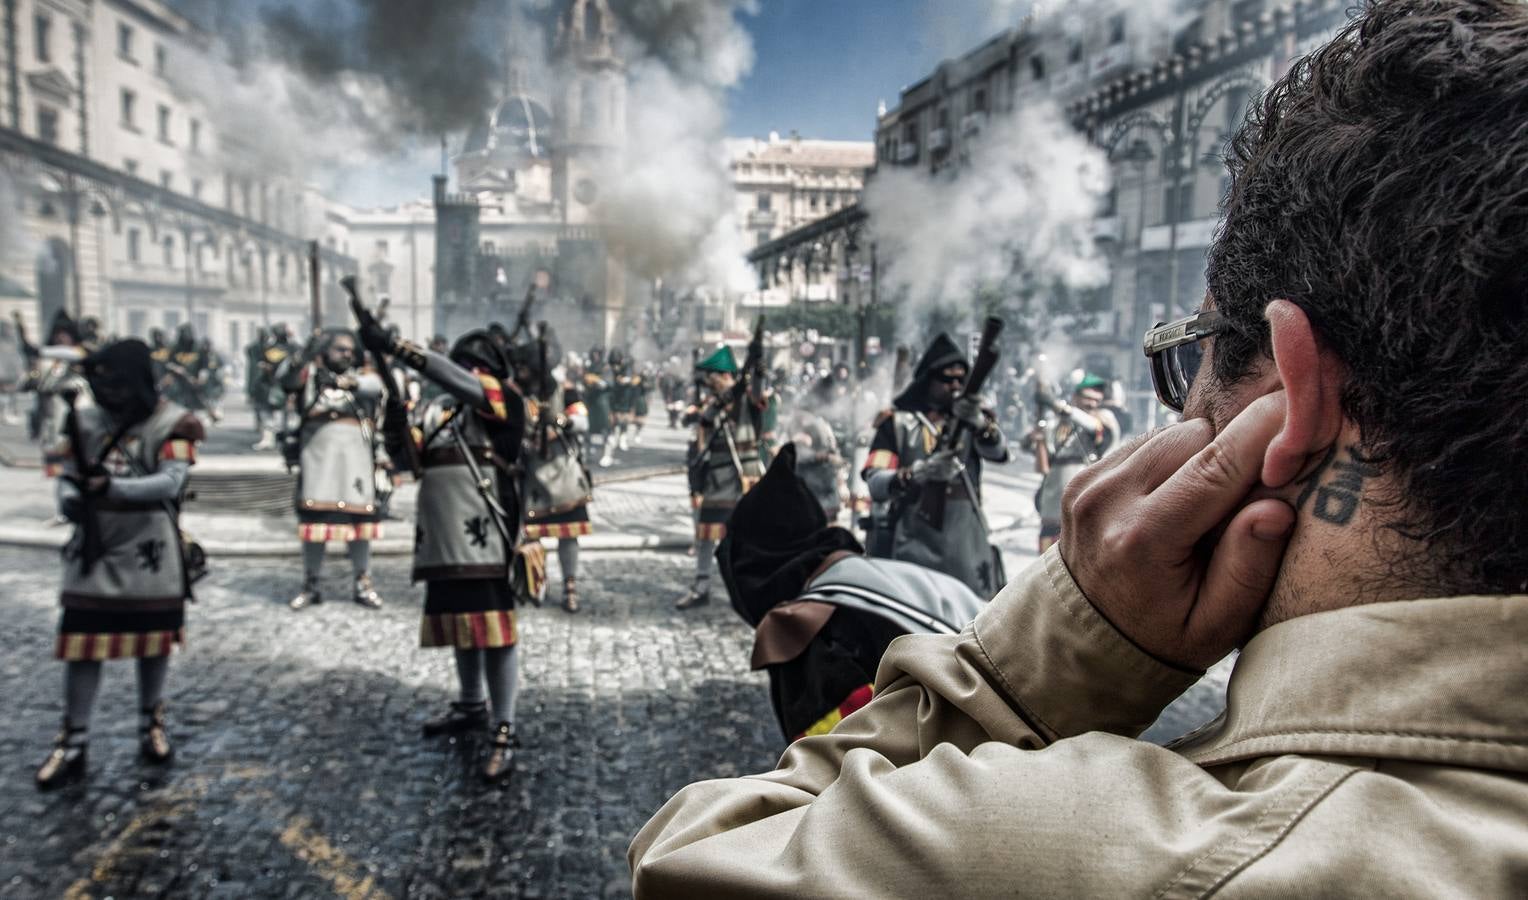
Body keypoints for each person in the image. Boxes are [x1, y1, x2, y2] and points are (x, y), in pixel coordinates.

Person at [629, 2, 1528, 892]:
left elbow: (689, 864)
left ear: (1290, 396)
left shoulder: (1114, 852)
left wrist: (1069, 645)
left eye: (1194, 358)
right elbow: (884, 472)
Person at [358, 323, 527, 783]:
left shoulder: (504, 401)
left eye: (473, 369)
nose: (465, 375)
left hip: (485, 533)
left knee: (494, 631)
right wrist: (395, 416)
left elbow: (462, 383)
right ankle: (471, 704)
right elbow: (408, 461)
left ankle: (504, 725)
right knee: (461, 625)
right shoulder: (437, 412)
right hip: (441, 537)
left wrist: (397, 348)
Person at [34, 340, 204, 790]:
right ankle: (73, 739)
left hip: (149, 547)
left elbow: (170, 483)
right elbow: (67, 483)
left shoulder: (174, 422)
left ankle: (151, 724)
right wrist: (76, 503)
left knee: (153, 643)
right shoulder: (83, 422)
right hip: (96, 546)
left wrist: (107, 488)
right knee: (82, 644)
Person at [860, 334, 1009, 599]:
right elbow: (875, 482)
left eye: (961, 379)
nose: (955, 385)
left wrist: (977, 422)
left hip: (967, 536)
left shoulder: (976, 421)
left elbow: (998, 453)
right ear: (928, 380)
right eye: (946, 378)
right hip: (913, 535)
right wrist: (917, 473)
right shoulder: (897, 423)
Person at [280, 329, 390, 611]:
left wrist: (346, 382)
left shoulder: (363, 380)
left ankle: (362, 582)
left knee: (360, 528)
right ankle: (311, 583)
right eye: (340, 349)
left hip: (356, 464)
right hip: (318, 464)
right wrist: (304, 355)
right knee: (314, 527)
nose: (346, 354)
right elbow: (287, 380)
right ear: (326, 352)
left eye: (350, 350)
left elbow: (377, 387)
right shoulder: (310, 379)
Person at [677, 342, 767, 610]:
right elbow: (707, 418)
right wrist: (728, 395)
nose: (709, 383)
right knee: (706, 534)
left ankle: (750, 590)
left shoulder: (748, 399)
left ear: (725, 376)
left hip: (745, 478)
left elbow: (759, 393)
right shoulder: (716, 403)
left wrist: (759, 372)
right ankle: (702, 585)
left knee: (747, 538)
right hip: (717, 479)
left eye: (713, 378)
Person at [513, 330, 594, 614]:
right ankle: (537, 582)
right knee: (532, 536)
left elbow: (582, 420)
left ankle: (570, 585)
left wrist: (559, 421)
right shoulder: (520, 396)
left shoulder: (565, 390)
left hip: (563, 473)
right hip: (532, 473)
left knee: (568, 535)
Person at [1028, 373, 1120, 553]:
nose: (1092, 403)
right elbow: (1043, 461)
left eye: (1096, 399)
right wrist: (1037, 437)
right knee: (1047, 556)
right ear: (1075, 397)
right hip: (1054, 498)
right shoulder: (1059, 423)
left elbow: (1095, 427)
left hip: (1084, 493)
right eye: (1087, 398)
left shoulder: (1103, 416)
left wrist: (1058, 406)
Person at [250, 323, 297, 451]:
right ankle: (270, 439)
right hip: (270, 385)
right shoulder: (271, 348)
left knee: (281, 416)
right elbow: (261, 363)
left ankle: (280, 439)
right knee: (269, 415)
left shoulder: (292, 348)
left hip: (284, 386)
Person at [583, 346, 615, 468]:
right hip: (591, 401)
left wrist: (597, 381)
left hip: (602, 402)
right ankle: (588, 452)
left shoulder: (606, 368)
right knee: (588, 428)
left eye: (597, 353)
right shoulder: (590, 367)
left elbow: (608, 383)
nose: (594, 355)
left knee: (605, 429)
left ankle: (607, 455)